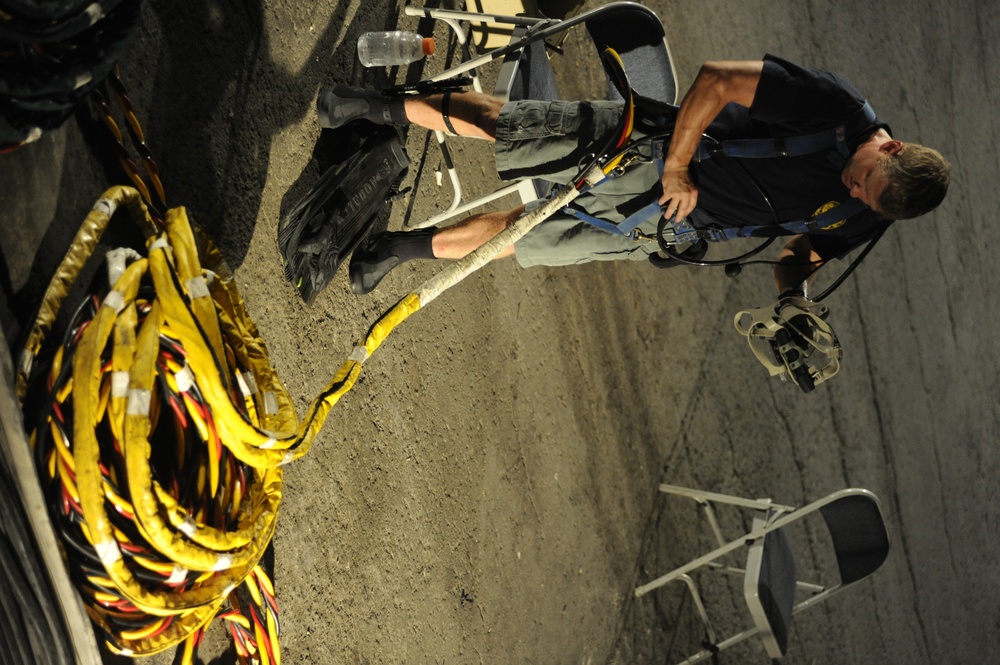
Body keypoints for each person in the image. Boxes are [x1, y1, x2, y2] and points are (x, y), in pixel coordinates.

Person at [317, 55, 950, 297]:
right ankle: (370, 104)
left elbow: (800, 252)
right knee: (506, 125)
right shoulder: (836, 108)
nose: (852, 191)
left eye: (863, 198)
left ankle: (392, 249)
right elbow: (717, 79)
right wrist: (677, 166)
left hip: (661, 225)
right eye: (862, 178)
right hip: (653, 151)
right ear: (888, 146)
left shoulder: (873, 212)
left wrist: (792, 303)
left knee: (524, 236)